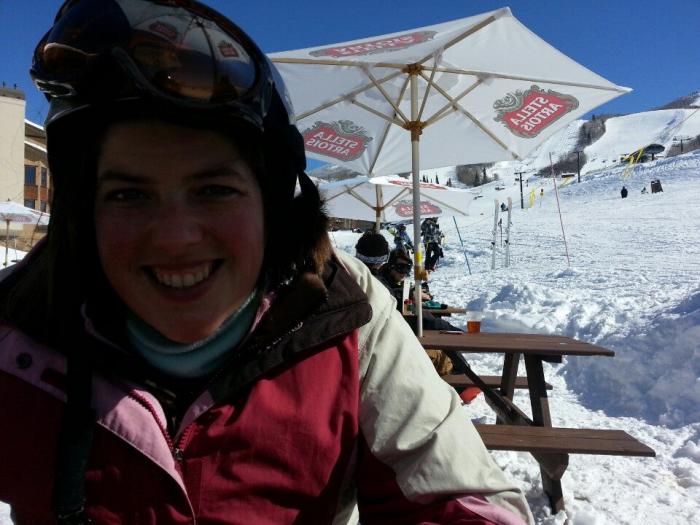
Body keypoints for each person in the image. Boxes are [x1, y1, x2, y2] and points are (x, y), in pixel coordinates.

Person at [0, 2, 532, 524]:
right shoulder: (16, 327)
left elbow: (462, 502)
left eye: (214, 189)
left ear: (272, 207)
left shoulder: (346, 314)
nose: (176, 237)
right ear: (83, 213)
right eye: (128, 195)